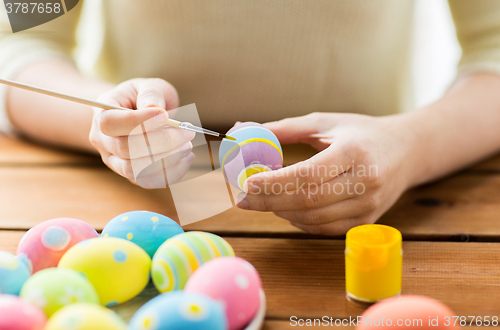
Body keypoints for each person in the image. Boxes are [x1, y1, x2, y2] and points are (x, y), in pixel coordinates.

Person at [1, 1, 500, 235]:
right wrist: (102, 115)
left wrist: (412, 145)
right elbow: (19, 37)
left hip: (362, 189)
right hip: (145, 196)